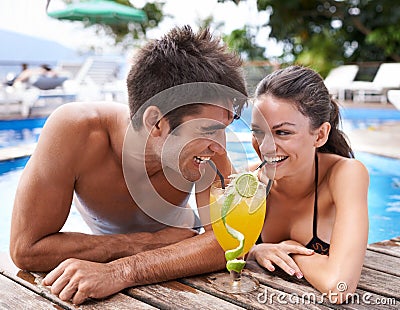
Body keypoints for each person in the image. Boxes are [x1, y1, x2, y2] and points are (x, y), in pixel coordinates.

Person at [10, 26, 247, 304]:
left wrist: (122, 271)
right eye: (207, 129)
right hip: (167, 244)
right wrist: (144, 243)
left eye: (224, 129)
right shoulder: (76, 132)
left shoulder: (208, 152)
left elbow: (229, 243)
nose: (220, 145)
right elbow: (26, 249)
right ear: (155, 122)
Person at [247, 65, 369, 303]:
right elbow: (222, 248)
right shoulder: (251, 181)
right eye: (258, 132)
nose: (265, 147)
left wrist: (290, 248)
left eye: (282, 133)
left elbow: (339, 288)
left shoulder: (345, 174)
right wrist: (256, 250)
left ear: (320, 135)